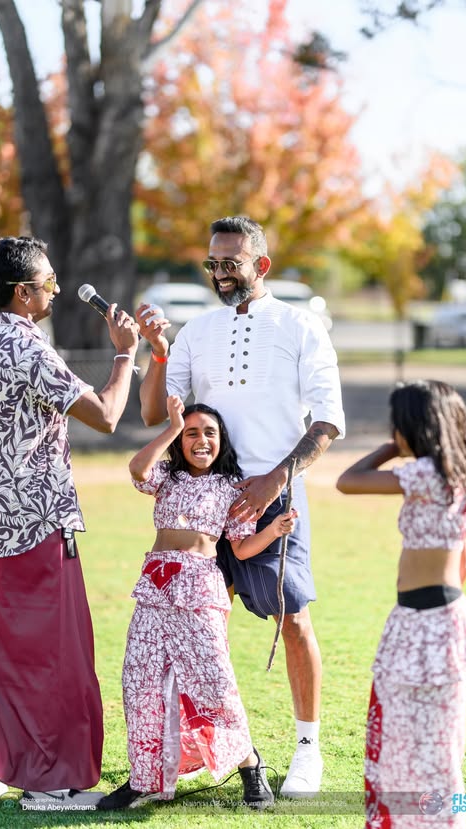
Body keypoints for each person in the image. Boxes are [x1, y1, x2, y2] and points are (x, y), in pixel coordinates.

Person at [135, 215, 345, 797]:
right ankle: (196, 751)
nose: (220, 273)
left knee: (294, 619)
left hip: (273, 497)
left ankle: (307, 750)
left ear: (261, 265)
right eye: (213, 263)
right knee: (196, 631)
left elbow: (328, 421)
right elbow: (154, 414)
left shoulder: (301, 326)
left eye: (231, 263)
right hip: (202, 504)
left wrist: (275, 480)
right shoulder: (197, 330)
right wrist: (156, 352)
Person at [0, 236, 139, 809]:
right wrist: (125, 354)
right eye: (48, 282)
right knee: (52, 654)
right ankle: (50, 781)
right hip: (34, 526)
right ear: (23, 293)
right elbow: (107, 416)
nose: (57, 289)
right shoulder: (28, 348)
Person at [98, 395, 296, 810]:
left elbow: (240, 548)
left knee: (214, 682)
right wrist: (171, 427)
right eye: (191, 433)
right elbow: (137, 469)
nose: (201, 440)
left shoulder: (231, 487)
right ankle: (144, 778)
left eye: (210, 433)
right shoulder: (165, 477)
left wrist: (274, 531)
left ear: (221, 440)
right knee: (140, 682)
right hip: (155, 587)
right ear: (179, 440)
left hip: (201, 589)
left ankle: (249, 765)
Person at [336, 380, 466, 828]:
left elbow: (347, 481)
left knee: (407, 741)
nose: (393, 430)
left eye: (397, 423)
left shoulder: (424, 473)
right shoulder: (457, 476)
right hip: (439, 618)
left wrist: (391, 448)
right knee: (436, 743)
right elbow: (465, 566)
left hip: (425, 621)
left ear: (414, 427)